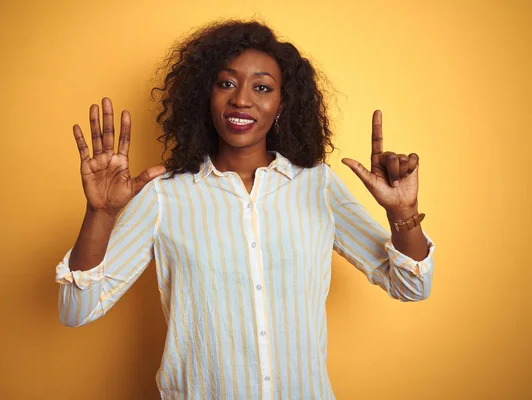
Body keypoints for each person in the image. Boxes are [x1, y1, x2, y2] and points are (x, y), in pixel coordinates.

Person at [55, 20, 434, 400]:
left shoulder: (317, 185)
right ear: (206, 94)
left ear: (282, 103)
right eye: (226, 83)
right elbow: (77, 309)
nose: (241, 100)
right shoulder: (164, 195)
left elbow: (412, 286)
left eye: (263, 87)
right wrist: (100, 215)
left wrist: (404, 212)